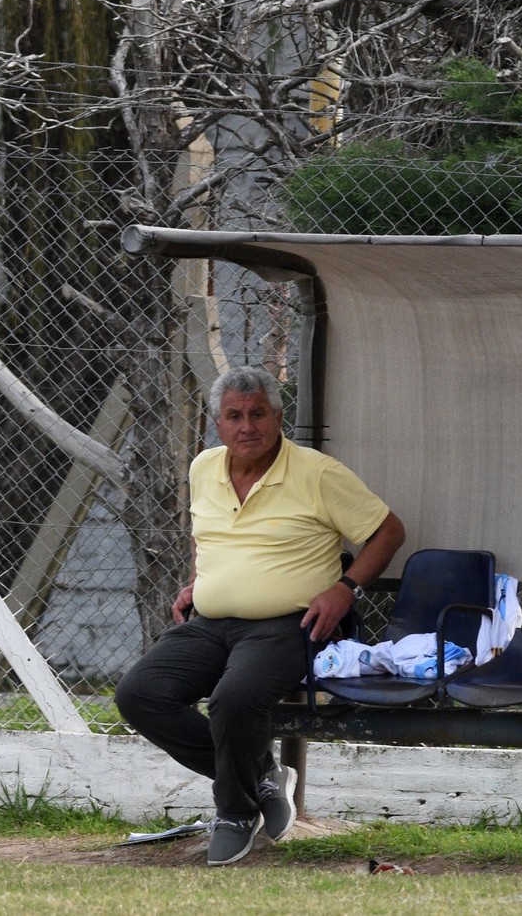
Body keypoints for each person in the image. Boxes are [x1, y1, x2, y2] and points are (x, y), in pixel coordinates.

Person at [115, 366, 406, 867]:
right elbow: (206, 535)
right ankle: (263, 776)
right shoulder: (204, 467)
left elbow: (389, 531)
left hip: (288, 624)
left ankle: (233, 811)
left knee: (233, 700)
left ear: (277, 417)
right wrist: (198, 582)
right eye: (234, 416)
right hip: (208, 622)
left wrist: (345, 588)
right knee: (139, 695)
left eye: (257, 414)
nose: (247, 426)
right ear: (217, 423)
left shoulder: (317, 473)